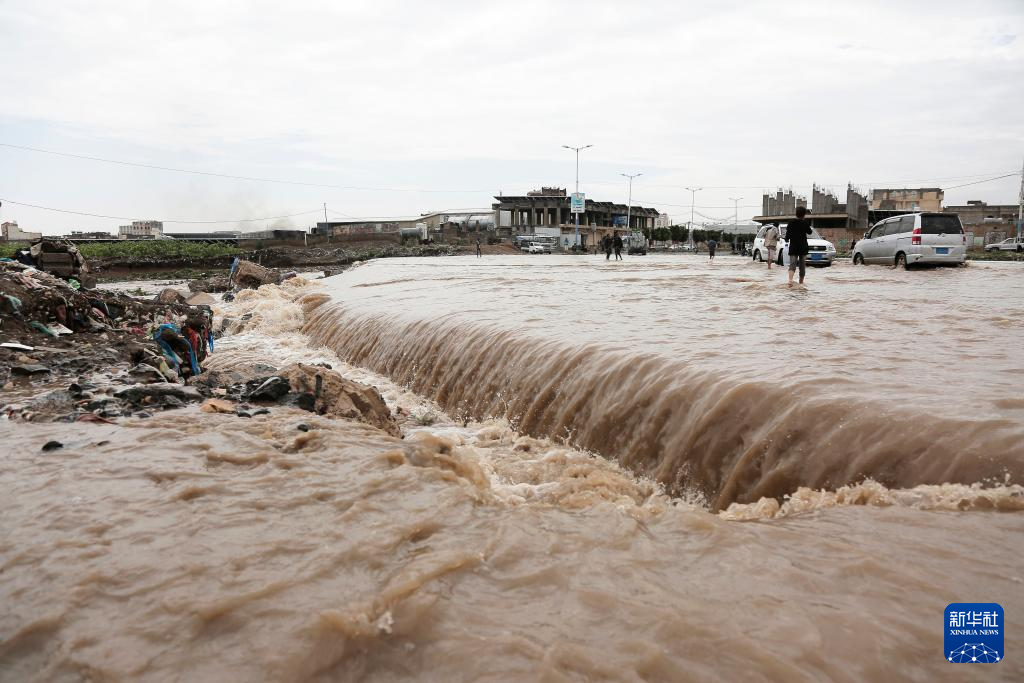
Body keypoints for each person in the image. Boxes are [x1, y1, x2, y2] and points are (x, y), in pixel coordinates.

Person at [787, 206, 813, 286]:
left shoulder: (791, 222)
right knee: (802, 266)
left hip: (794, 246)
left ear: (796, 213)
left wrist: (786, 239)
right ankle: (801, 283)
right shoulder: (805, 223)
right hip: (803, 247)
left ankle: (790, 281)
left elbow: (787, 235)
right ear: (804, 214)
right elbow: (810, 232)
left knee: (792, 264)